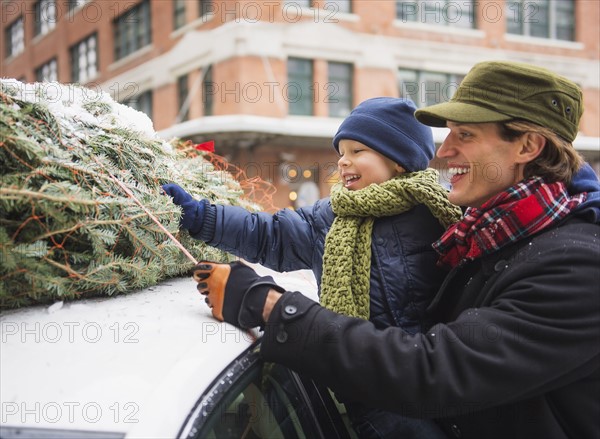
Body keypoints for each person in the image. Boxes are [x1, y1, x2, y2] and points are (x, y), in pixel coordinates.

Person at [193, 60, 600, 439]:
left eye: (466, 135)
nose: (442, 151)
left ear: (527, 147)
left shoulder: (576, 267)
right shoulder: (484, 235)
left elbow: (433, 371)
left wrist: (270, 306)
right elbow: (275, 235)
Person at [164, 97, 462, 438]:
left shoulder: (441, 215)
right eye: (341, 152)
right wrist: (202, 217)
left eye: (357, 151)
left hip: (436, 388)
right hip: (367, 398)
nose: (343, 162)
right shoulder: (329, 218)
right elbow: (269, 234)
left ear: (398, 160)